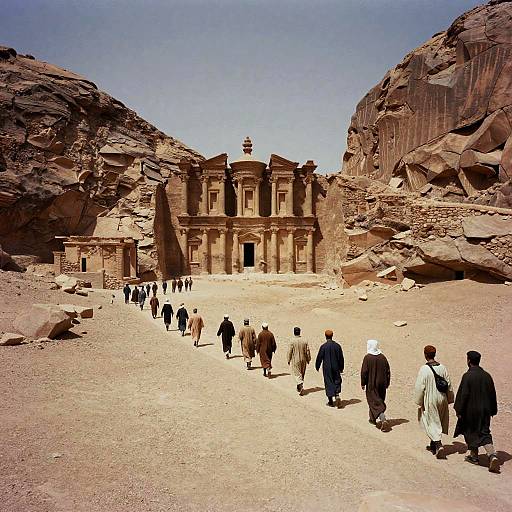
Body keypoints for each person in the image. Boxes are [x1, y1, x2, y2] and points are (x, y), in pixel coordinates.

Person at [454, 350, 499, 473]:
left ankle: (474, 456)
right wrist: (493, 410)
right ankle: (492, 455)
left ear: (469, 361)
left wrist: (459, 409)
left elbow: (464, 395)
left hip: (470, 412)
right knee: (484, 432)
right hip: (485, 411)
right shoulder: (487, 376)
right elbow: (492, 394)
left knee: (470, 432)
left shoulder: (467, 376)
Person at [414, 345, 454, 460]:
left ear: (425, 355)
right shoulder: (443, 368)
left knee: (430, 421)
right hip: (442, 398)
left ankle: (438, 444)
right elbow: (449, 384)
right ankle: (433, 445)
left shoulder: (424, 369)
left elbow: (420, 387)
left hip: (431, 399)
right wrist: (450, 399)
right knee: (436, 421)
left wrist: (419, 401)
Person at [361, 339, 391, 431]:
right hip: (382, 383)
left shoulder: (367, 358)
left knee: (374, 401)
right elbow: (388, 371)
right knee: (377, 400)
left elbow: (364, 372)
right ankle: (372, 419)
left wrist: (363, 383)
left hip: (372, 384)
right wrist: (387, 383)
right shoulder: (383, 357)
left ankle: (382, 418)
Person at [315, 330, 344, 407]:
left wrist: (317, 366)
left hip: (327, 367)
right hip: (336, 366)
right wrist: (341, 367)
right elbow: (341, 358)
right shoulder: (337, 346)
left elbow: (319, 357)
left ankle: (330, 401)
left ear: (325, 336)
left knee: (328, 382)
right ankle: (337, 394)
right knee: (337, 380)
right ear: (332, 335)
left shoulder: (323, 346)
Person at [287, 327, 311, 395]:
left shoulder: (292, 341)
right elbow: (307, 351)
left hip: (295, 360)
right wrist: (308, 359)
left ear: (294, 332)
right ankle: (299, 386)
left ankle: (300, 386)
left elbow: (289, 351)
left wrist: (288, 359)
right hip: (303, 359)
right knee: (302, 373)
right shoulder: (304, 340)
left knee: (297, 374)